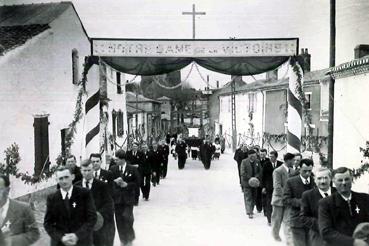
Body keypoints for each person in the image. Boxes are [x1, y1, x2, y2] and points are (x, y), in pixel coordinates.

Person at [44, 165, 97, 246]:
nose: (64, 181)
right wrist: (61, 237)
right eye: (61, 178)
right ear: (57, 180)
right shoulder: (52, 198)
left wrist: (77, 236)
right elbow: (48, 223)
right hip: (60, 243)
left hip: (82, 241)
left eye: (66, 177)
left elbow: (92, 218)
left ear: (72, 177)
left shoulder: (84, 193)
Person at [319, 167, 369, 246]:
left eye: (347, 179)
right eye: (340, 180)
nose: (344, 183)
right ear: (334, 181)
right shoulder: (326, 203)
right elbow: (326, 232)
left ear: (351, 179)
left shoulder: (365, 198)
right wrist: (353, 242)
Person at [76, 160, 115, 246]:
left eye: (89, 170)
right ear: (80, 171)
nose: (87, 173)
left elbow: (109, 204)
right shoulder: (76, 187)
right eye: (84, 170)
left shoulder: (102, 185)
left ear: (93, 170)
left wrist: (98, 214)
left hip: (98, 225)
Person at [110, 150, 140, 246]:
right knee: (119, 221)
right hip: (117, 200)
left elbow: (138, 183)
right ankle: (123, 240)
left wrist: (127, 185)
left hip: (128, 199)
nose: (115, 161)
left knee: (127, 218)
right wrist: (115, 181)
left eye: (117, 159)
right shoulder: (113, 169)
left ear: (123, 159)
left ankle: (130, 238)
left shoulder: (132, 169)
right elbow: (109, 183)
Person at [0, 174, 39, 246]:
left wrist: (12, 241)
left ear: (8, 190)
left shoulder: (24, 208)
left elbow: (34, 233)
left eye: (0, 189)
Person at [283, 158, 315, 246]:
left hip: (312, 222)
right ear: (299, 169)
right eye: (305, 171)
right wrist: (302, 202)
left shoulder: (315, 181)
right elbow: (286, 199)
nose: (307, 173)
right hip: (297, 221)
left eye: (309, 171)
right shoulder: (291, 182)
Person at [300, 167, 335, 246]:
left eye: (325, 178)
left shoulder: (338, 193)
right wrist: (321, 224)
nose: (323, 181)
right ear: (315, 180)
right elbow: (303, 217)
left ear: (331, 179)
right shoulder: (308, 195)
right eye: (319, 178)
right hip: (317, 236)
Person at [271, 152, 296, 243]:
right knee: (277, 220)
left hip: (288, 201)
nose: (294, 162)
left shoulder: (293, 171)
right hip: (279, 200)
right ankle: (275, 235)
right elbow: (277, 186)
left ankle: (289, 239)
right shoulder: (278, 171)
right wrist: (286, 196)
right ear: (288, 160)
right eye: (293, 160)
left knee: (288, 220)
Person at [240, 149, 263, 219]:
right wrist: (250, 178)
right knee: (248, 197)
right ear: (249, 156)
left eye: (254, 155)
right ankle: (250, 211)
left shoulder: (257, 162)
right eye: (252, 155)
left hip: (255, 183)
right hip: (247, 182)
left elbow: (260, 171)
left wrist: (256, 177)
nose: (253, 157)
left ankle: (251, 209)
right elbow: (242, 173)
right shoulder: (244, 162)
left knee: (254, 196)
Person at [260, 149, 275, 225]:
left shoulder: (280, 164)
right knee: (269, 202)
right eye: (270, 156)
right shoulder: (266, 164)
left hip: (277, 187)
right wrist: (263, 187)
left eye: (272, 156)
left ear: (276, 157)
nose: (271, 158)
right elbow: (263, 176)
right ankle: (269, 220)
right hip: (268, 187)